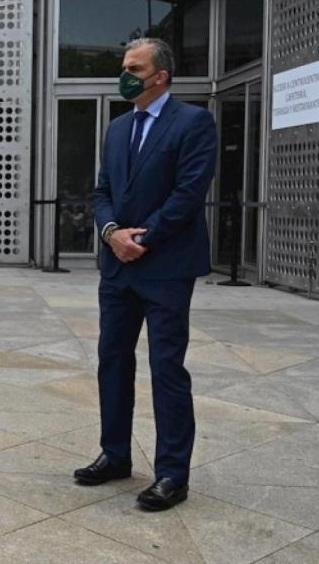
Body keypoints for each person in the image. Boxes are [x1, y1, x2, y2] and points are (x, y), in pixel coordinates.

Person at [75, 38, 217, 512]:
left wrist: (144, 238)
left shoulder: (194, 123)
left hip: (167, 268)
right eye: (124, 66)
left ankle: (172, 473)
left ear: (161, 76)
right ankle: (114, 454)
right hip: (118, 268)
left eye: (135, 67)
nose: (126, 74)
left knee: (166, 368)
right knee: (112, 361)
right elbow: (101, 192)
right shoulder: (117, 129)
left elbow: (188, 193)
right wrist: (113, 233)